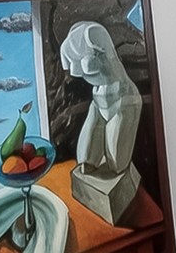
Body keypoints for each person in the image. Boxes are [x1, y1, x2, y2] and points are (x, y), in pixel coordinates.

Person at [59, 21, 142, 223]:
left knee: (116, 164)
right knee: (85, 162)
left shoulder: (95, 35)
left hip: (124, 101)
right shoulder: (74, 42)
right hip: (98, 102)